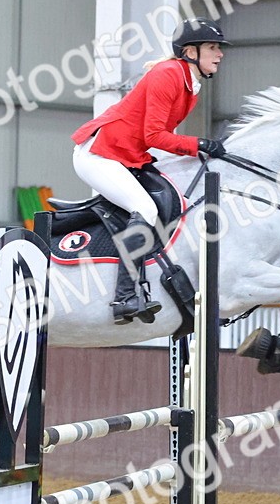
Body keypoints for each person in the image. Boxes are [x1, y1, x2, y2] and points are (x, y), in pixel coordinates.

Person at [71, 17, 231, 324]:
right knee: (144, 208)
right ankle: (124, 297)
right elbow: (154, 137)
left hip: (127, 156)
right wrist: (198, 143)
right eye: (213, 47)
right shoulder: (168, 74)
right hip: (99, 155)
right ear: (190, 52)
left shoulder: (189, 82)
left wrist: (197, 147)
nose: (220, 54)